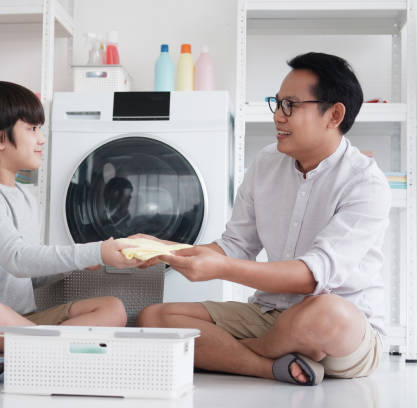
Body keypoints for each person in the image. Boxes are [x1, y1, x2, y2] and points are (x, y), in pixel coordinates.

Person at [136, 52, 391, 386]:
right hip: (268, 314)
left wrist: (222, 269)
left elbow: (311, 277)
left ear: (334, 114)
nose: (277, 116)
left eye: (290, 105)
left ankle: (238, 353)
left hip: (339, 330)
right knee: (155, 317)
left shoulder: (365, 182)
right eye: (277, 103)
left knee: (328, 312)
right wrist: (168, 250)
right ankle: (269, 366)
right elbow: (235, 246)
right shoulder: (266, 163)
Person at [0, 81, 144, 377]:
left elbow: (31, 275)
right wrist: (93, 252)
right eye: (32, 129)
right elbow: (18, 259)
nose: (41, 139)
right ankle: (47, 353)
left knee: (112, 309)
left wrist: (87, 260)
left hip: (17, 324)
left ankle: (21, 356)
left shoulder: (27, 196)